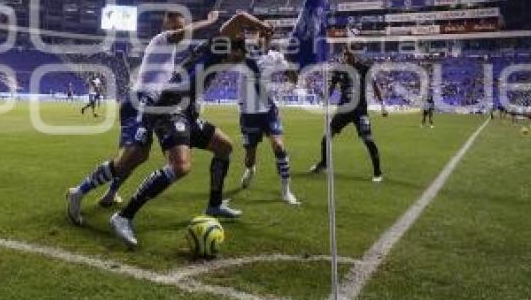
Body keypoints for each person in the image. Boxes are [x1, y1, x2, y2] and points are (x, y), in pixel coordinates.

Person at [109, 12, 274, 248]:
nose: (237, 61)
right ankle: (123, 216)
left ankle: (214, 205)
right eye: (237, 55)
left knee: (224, 147)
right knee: (181, 166)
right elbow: (239, 18)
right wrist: (262, 26)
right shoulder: (215, 45)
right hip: (170, 105)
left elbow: (257, 52)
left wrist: (263, 37)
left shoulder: (226, 58)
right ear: (230, 48)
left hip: (185, 111)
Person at [66, 10, 220, 222]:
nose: (178, 30)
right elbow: (180, 35)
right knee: (132, 156)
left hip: (147, 105)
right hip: (141, 101)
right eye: (174, 26)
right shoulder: (161, 40)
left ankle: (111, 193)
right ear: (165, 25)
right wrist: (209, 21)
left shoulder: (168, 52)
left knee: (135, 157)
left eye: (180, 26)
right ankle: (79, 192)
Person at [310, 46, 387, 182]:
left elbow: (376, 87)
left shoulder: (364, 68)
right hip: (343, 110)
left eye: (349, 54)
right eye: (345, 54)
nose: (346, 57)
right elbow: (332, 87)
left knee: (368, 140)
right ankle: (324, 164)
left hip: (360, 111)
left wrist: (383, 106)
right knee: (326, 137)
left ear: (354, 55)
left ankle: (377, 172)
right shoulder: (339, 70)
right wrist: (326, 100)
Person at [237, 38, 299, 205]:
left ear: (271, 36)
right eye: (261, 30)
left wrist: (290, 85)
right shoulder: (244, 52)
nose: (264, 34)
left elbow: (292, 75)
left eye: (268, 31)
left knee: (278, 147)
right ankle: (250, 169)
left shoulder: (276, 56)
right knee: (250, 157)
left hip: (268, 111)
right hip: (248, 113)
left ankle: (286, 191)